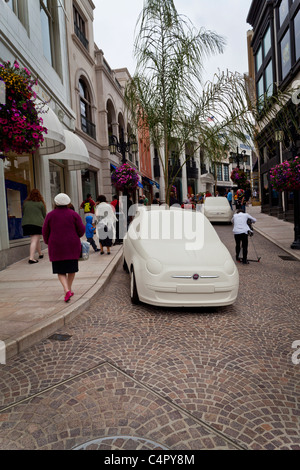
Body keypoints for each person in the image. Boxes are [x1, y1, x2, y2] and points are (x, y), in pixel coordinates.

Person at [42, 193, 85, 302]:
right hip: (72, 245)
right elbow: (81, 230)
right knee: (71, 269)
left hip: (56, 245)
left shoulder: (50, 215)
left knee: (60, 270)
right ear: (68, 202)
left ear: (55, 203)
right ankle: (69, 289)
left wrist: (48, 242)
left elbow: (45, 231)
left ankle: (66, 290)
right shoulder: (74, 214)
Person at [21, 189, 47, 264]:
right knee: (34, 240)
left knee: (36, 239)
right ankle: (31, 258)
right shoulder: (40, 203)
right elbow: (44, 215)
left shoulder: (25, 203)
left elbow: (23, 212)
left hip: (26, 224)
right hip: (37, 224)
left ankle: (40, 254)